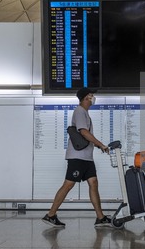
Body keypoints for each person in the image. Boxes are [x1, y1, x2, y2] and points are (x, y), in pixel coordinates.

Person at [42, 87, 111, 228]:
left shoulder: (85, 113)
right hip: (78, 158)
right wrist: (101, 144)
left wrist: (97, 146)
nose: (93, 98)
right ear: (86, 98)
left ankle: (100, 218)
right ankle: (50, 215)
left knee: (93, 183)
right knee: (68, 185)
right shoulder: (79, 111)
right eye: (91, 95)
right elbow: (84, 132)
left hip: (87, 158)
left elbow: (86, 135)